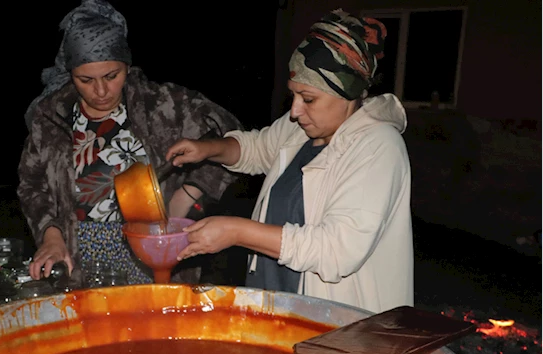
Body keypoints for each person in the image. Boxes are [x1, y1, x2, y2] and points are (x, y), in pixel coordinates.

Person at [168, 9, 412, 314]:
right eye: (294, 95)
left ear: (347, 94)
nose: (295, 110)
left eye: (308, 99)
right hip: (277, 304)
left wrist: (237, 232)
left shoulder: (378, 147)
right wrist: (208, 148)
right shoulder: (303, 129)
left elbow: (336, 249)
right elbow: (257, 148)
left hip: (338, 324)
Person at [18, 0, 242, 285]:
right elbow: (32, 183)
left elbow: (233, 137)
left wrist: (191, 190)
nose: (101, 91)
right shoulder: (52, 118)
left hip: (154, 260)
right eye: (86, 80)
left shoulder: (161, 106)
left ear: (127, 65)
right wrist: (51, 236)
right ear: (70, 74)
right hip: (79, 262)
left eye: (112, 76)